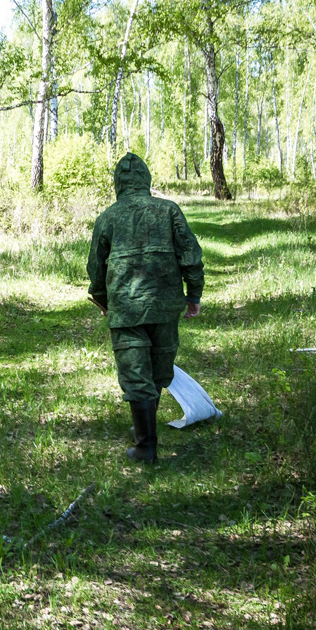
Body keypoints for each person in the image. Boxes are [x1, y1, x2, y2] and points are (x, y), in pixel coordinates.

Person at [87, 153, 204, 464]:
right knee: (157, 369)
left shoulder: (108, 218)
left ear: (118, 184)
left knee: (138, 373)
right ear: (146, 180)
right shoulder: (170, 211)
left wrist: (103, 301)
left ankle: (145, 446)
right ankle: (144, 436)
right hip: (165, 308)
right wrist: (194, 296)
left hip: (125, 309)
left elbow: (95, 268)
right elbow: (190, 256)